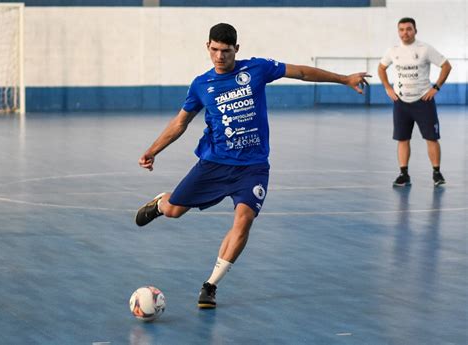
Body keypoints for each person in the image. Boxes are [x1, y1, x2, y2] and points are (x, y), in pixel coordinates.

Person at [136, 23, 370, 308]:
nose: (219, 56)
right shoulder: (201, 84)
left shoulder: (257, 70)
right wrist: (153, 150)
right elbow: (180, 122)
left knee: (244, 219)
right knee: (174, 211)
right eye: (214, 50)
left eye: (225, 50)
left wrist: (344, 79)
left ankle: (210, 285)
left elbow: (301, 71)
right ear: (207, 47)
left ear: (237, 48)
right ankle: (161, 203)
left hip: (253, 167)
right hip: (213, 163)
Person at [378, 17, 452, 187]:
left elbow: (446, 66)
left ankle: (436, 173)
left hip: (423, 101)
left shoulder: (424, 49)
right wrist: (388, 88)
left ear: (415, 30)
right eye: (402, 29)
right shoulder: (393, 50)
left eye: (409, 29)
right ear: (398, 32)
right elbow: (381, 68)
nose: (405, 32)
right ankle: (403, 174)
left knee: (431, 138)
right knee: (402, 139)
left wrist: (436, 88)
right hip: (401, 102)